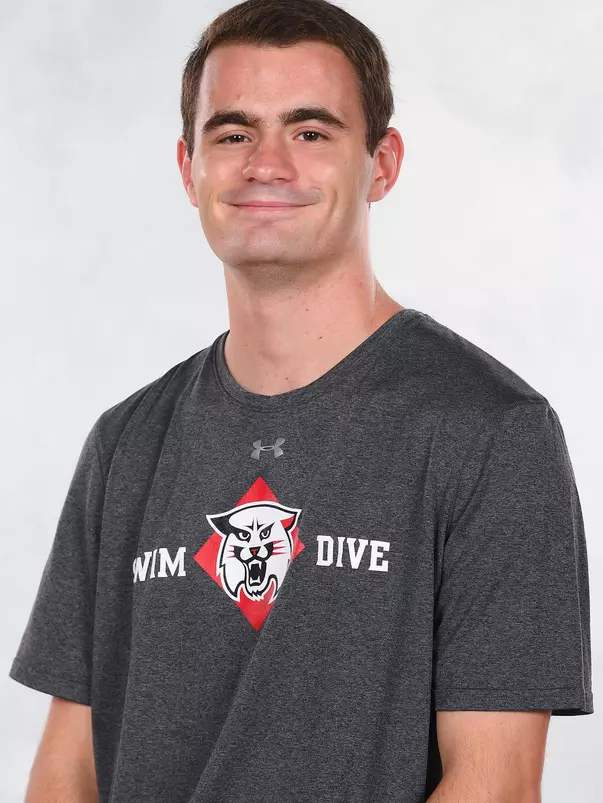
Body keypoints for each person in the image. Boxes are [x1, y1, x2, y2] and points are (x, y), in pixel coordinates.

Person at [9, 0, 594, 801]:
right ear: (189, 169)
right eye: (233, 133)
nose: (266, 164)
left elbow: (492, 785)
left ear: (381, 164)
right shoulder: (125, 445)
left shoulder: (491, 433)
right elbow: (65, 769)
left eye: (310, 132)